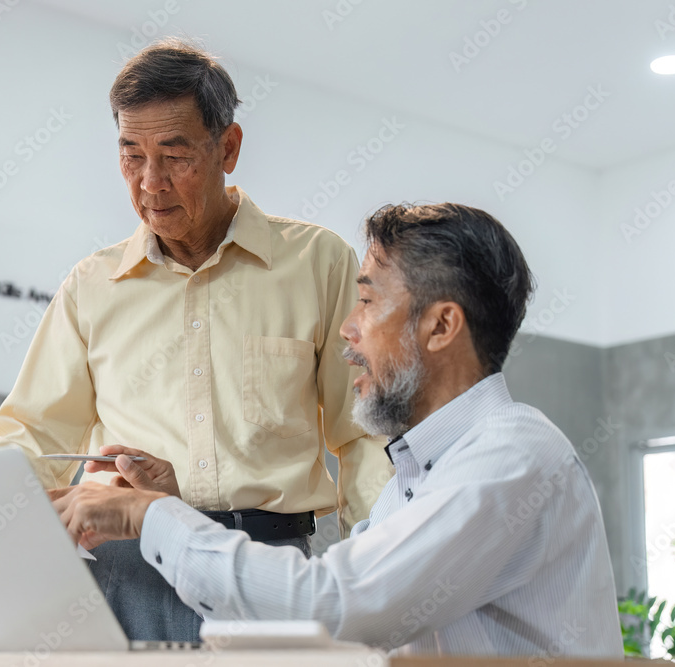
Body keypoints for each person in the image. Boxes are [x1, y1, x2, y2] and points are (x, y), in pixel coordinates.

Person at [0, 39, 392, 642]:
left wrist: (381, 561)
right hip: (122, 572)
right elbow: (32, 436)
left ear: (229, 148)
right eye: (130, 154)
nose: (150, 182)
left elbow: (363, 431)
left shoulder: (317, 264)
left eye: (174, 155)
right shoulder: (93, 285)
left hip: (264, 570)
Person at [48, 202, 625, 658]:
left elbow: (336, 606)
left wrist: (148, 516)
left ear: (443, 325)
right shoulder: (414, 475)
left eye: (368, 301)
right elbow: (321, 625)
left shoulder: (512, 456)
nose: (347, 329)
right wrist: (175, 509)